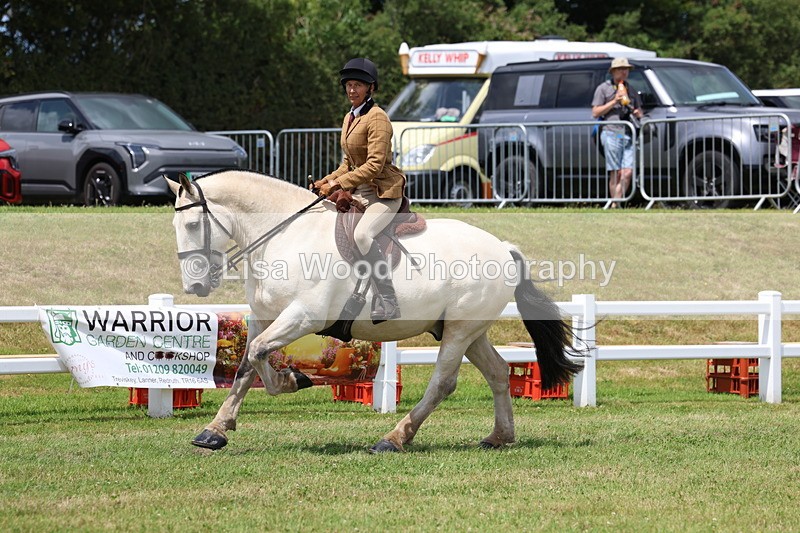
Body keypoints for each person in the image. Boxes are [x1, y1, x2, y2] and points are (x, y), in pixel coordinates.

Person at [312, 57, 406, 322]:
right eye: (349, 85)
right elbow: (348, 163)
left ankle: (387, 299)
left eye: (358, 85)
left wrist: (339, 184)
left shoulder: (378, 118)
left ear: (370, 88)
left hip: (383, 193)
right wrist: (324, 181)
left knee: (363, 235)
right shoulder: (350, 117)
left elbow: (375, 165)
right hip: (358, 192)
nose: (352, 90)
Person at [591, 57, 644, 207]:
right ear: (613, 72)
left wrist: (638, 113)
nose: (624, 72)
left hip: (628, 133)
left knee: (627, 172)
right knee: (615, 171)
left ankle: (615, 203)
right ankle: (616, 204)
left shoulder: (631, 89)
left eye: (626, 69)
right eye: (621, 69)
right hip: (611, 132)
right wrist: (614, 101)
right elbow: (595, 112)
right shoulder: (603, 88)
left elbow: (639, 109)